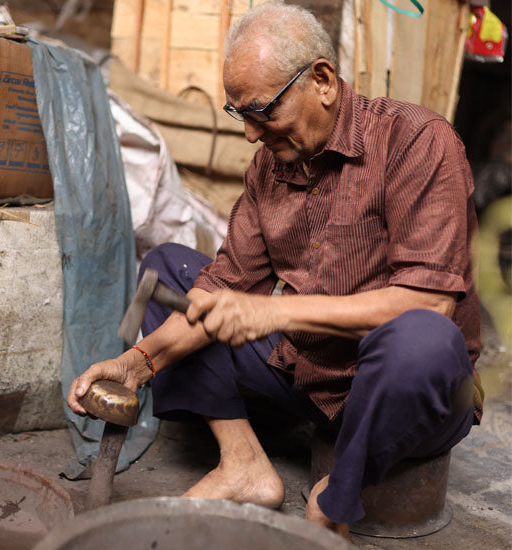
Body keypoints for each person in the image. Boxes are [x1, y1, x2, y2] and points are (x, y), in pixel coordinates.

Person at [68, 2, 483, 541]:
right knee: (172, 268)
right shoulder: (271, 165)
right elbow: (223, 286)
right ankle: (243, 464)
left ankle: (335, 500)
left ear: (323, 81)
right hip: (307, 373)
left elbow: (430, 304)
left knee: (423, 339)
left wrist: (269, 310)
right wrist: (137, 363)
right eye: (239, 113)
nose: (250, 135)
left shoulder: (416, 143)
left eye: (261, 111)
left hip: (407, 393)